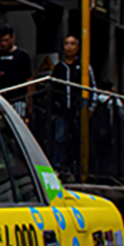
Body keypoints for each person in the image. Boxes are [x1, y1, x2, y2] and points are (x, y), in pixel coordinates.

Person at [50, 35, 95, 177]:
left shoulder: (83, 66)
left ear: (78, 47)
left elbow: (91, 87)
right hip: (62, 109)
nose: (69, 47)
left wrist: (90, 107)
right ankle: (58, 167)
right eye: (66, 44)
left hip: (78, 109)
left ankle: (77, 167)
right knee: (60, 138)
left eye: (72, 44)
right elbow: (53, 88)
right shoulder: (59, 68)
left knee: (77, 138)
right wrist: (53, 109)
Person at [0, 25, 33, 113]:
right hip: (0, 97)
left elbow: (29, 80)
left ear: (12, 38)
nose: (3, 44)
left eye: (6, 40)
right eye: (0, 41)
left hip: (18, 98)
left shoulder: (22, 56)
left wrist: (30, 102)